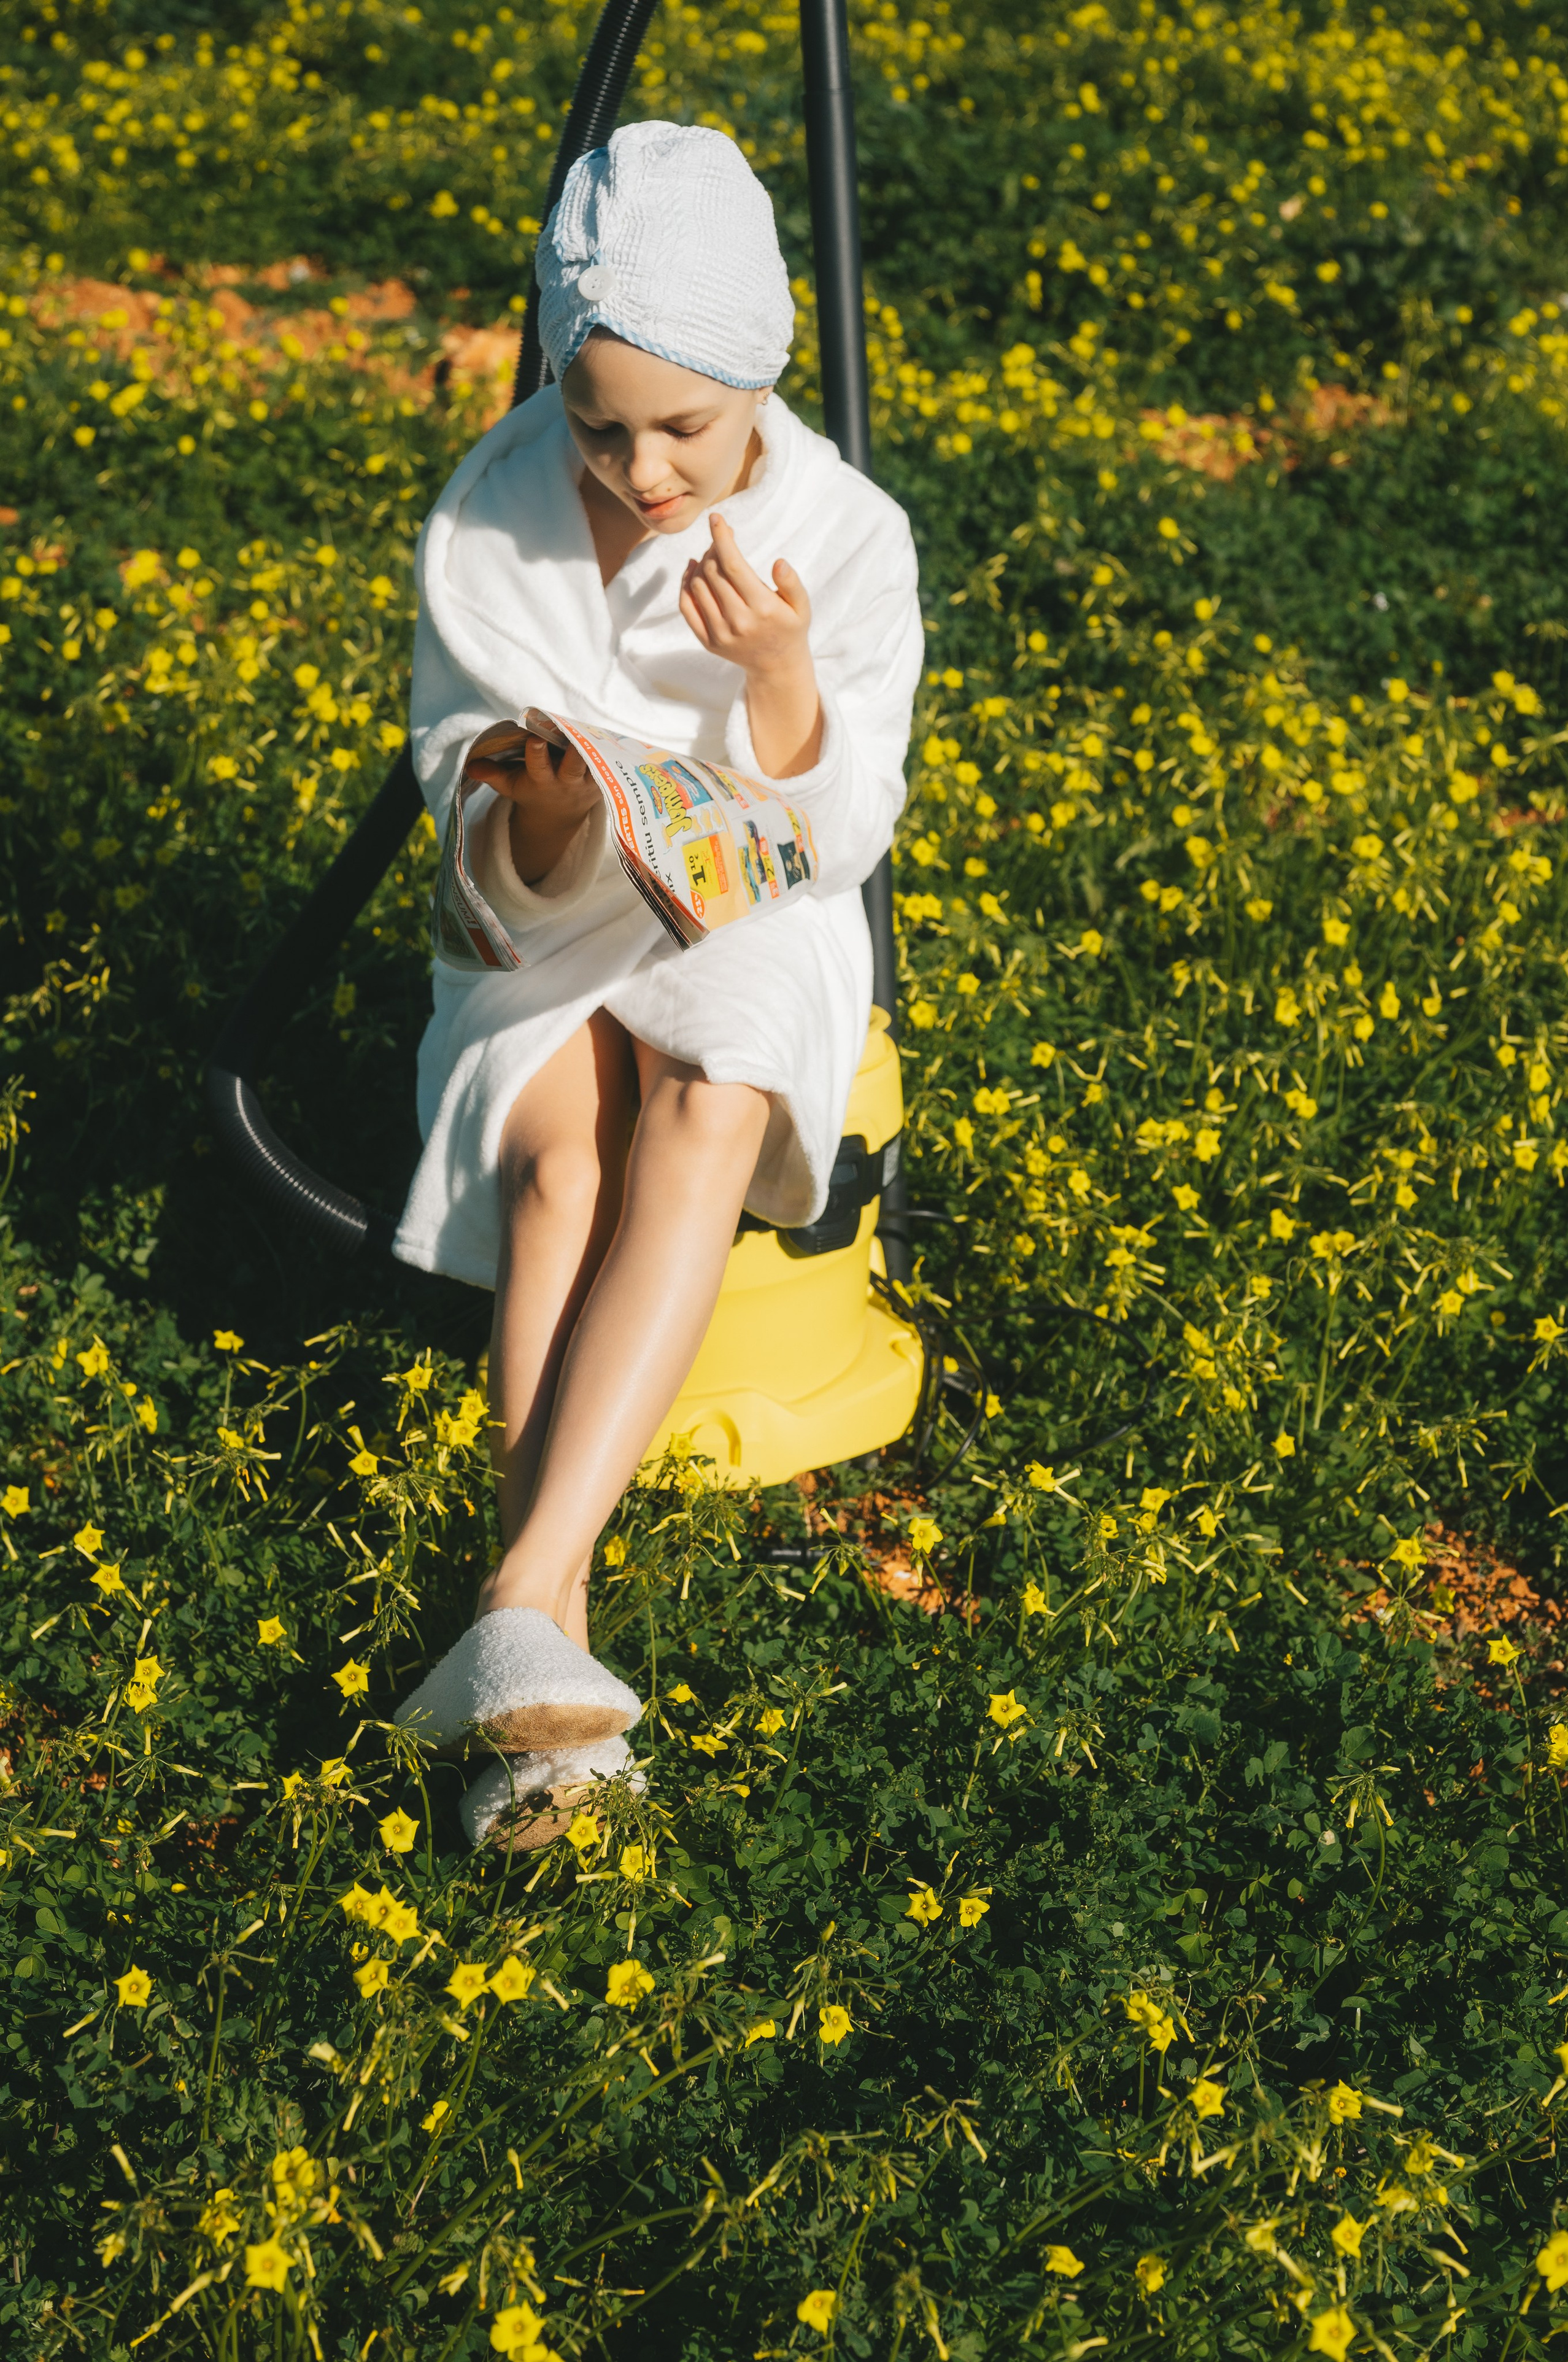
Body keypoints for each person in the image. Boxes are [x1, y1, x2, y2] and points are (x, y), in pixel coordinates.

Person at [391, 121, 922, 1824]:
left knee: (697, 1109)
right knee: (561, 1162)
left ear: (758, 374)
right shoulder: (495, 518)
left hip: (752, 912)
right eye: (600, 424)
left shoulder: (846, 535)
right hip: (546, 929)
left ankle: (519, 1597)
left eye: (685, 426)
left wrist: (777, 683)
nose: (643, 471)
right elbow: (464, 827)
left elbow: (841, 829)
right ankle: (550, 1647)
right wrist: (540, 818)